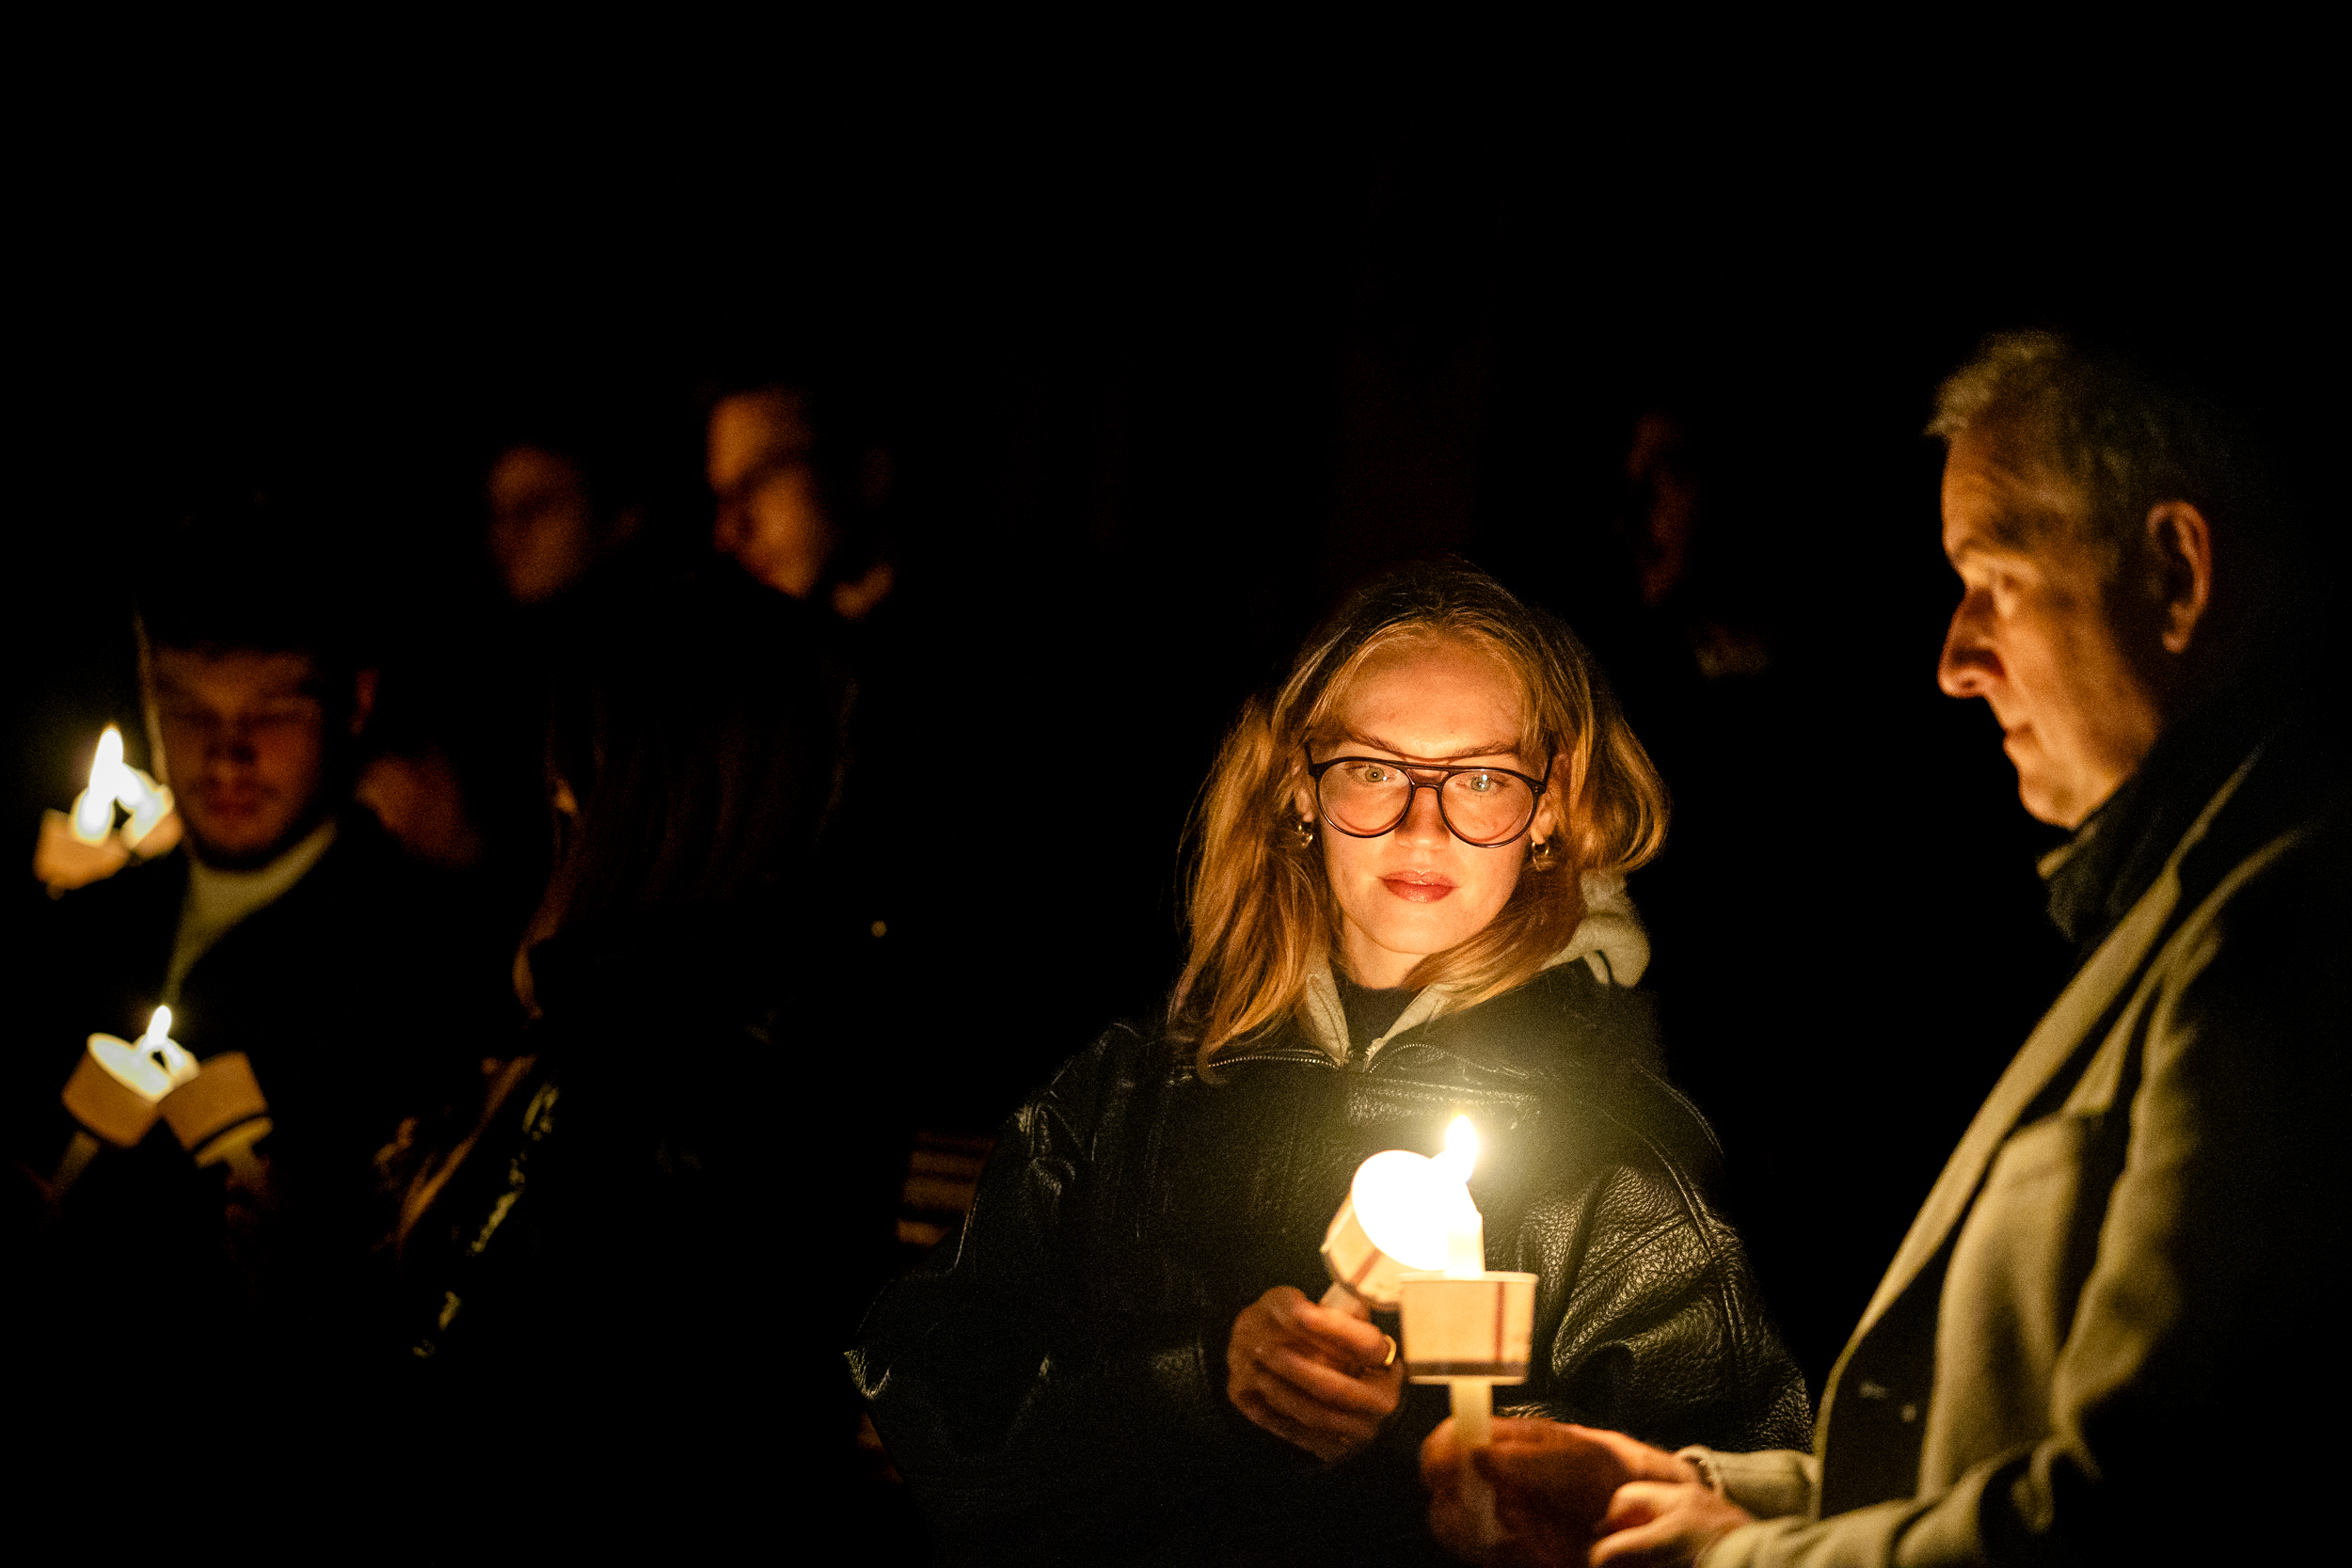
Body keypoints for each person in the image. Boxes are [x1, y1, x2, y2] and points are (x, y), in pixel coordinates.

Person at [1420, 332, 2346, 1565]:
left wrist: (1718, 1558)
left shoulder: (2285, 935)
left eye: (1994, 580)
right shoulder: (2169, 907)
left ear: (2175, 575)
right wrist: (1687, 1491)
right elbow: (1973, 1455)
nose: (1957, 662)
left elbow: (2129, 1512)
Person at [851, 562, 1810, 1565]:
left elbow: (1724, 1507)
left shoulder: (1621, 1154)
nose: (1423, 825)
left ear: (1552, 802)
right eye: (1374, 770)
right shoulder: (1136, 1087)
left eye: (1482, 778)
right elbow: (935, 1396)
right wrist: (1195, 1382)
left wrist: (1443, 1461)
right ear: (1298, 783)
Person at [381, 575, 915, 1544]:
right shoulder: (672, 1012)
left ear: (644, 784)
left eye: (578, 760)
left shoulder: (671, 1067)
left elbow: (486, 1416)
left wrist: (308, 1298)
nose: (551, 789)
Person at [4, 501, 512, 1406]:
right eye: (189, 710)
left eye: (273, 712)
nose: (229, 755)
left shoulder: (431, 962)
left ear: (355, 702)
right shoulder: (72, 929)